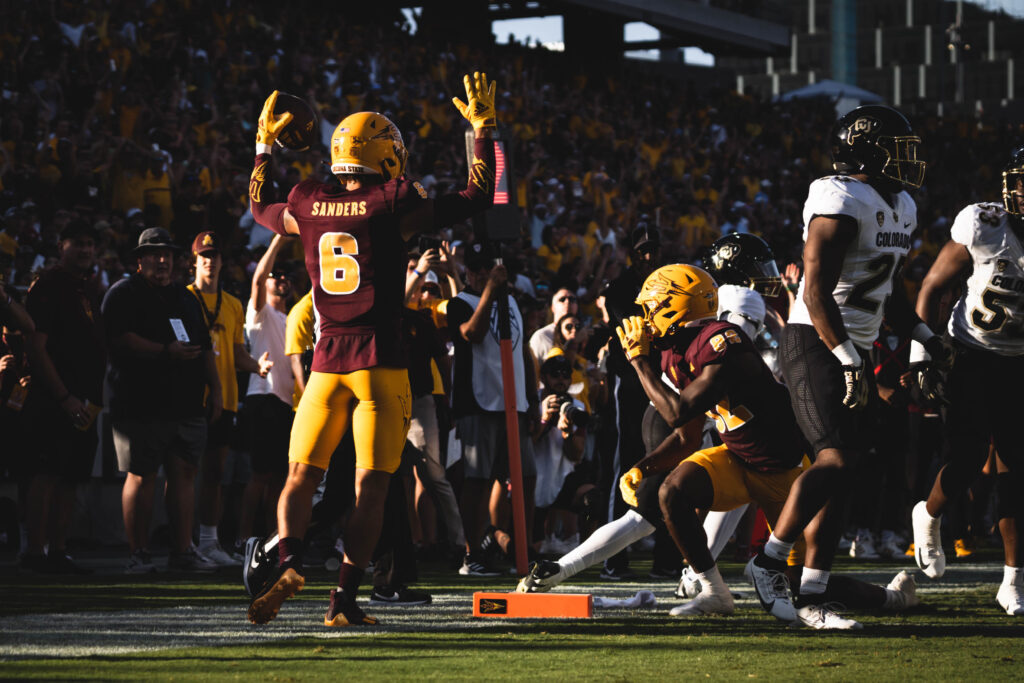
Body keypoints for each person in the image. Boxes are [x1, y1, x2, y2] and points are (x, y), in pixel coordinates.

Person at [519, 265, 919, 625]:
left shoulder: (722, 340)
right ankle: (715, 593)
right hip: (737, 458)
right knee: (672, 491)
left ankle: (892, 599)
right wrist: (647, 465)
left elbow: (677, 413)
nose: (645, 318)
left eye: (652, 307)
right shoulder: (675, 350)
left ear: (676, 307)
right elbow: (688, 436)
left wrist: (639, 361)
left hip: (783, 473)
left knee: (807, 587)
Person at [244, 72, 497, 627]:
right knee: (371, 487)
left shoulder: (307, 201)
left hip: (326, 364)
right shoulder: (393, 200)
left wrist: (262, 147)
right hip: (381, 366)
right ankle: (343, 600)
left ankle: (288, 560)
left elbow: (262, 206)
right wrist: (484, 130)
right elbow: (479, 193)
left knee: (299, 477)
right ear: (386, 158)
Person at [746, 104, 945, 625]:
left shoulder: (900, 204)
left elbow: (888, 290)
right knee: (833, 458)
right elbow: (814, 293)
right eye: (897, 147)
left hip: (854, 345)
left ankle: (813, 592)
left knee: (847, 470)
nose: (907, 159)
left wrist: (925, 336)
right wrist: (848, 359)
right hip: (815, 340)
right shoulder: (838, 196)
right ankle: (767, 562)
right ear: (867, 150)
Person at [910, 146, 1024, 617]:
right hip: (971, 353)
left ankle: (1013, 580)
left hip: (1019, 361)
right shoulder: (984, 224)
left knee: (1018, 469)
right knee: (967, 459)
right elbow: (934, 285)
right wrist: (922, 355)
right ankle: (929, 514)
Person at [101, 227, 222, 573]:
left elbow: (204, 347)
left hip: (185, 404)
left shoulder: (185, 298)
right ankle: (138, 553)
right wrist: (164, 351)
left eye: (167, 254)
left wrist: (217, 389)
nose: (162, 260)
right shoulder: (123, 293)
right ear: (139, 261)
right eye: (154, 254)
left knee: (184, 473)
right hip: (139, 404)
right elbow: (119, 339)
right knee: (142, 475)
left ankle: (182, 551)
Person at [447, 242, 538, 576]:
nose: (486, 275)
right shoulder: (459, 303)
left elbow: (522, 350)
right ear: (469, 272)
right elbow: (472, 332)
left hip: (514, 403)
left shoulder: (511, 300)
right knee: (477, 480)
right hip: (479, 401)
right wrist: (489, 292)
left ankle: (520, 549)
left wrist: (532, 398)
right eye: (479, 269)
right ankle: (472, 554)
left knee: (525, 476)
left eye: (490, 269)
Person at [21, 220, 104, 574]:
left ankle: (58, 550)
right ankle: (34, 552)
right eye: (77, 243)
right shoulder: (49, 286)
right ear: (60, 246)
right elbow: (35, 347)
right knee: (46, 473)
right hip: (52, 399)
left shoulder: (86, 289)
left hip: (84, 402)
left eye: (90, 243)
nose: (85, 249)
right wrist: (63, 396)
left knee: (71, 476)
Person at [187, 231, 273, 566]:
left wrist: (257, 367)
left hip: (224, 399)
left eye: (214, 255)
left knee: (215, 473)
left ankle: (209, 541)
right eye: (203, 256)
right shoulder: (184, 298)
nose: (210, 261)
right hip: (191, 397)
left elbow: (238, 354)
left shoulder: (234, 304)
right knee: (182, 473)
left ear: (222, 261)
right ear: (194, 261)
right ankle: (184, 542)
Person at [236, 234, 295, 550]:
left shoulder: (292, 316)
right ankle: (244, 539)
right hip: (262, 397)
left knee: (279, 477)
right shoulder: (259, 312)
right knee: (259, 474)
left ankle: (273, 540)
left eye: (286, 275)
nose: (281, 279)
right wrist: (277, 241)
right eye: (277, 275)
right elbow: (258, 279)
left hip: (286, 403)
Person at [528, 287, 579, 370]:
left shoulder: (585, 333)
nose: (567, 302)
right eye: (562, 299)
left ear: (577, 306)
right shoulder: (541, 336)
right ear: (552, 307)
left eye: (572, 299)